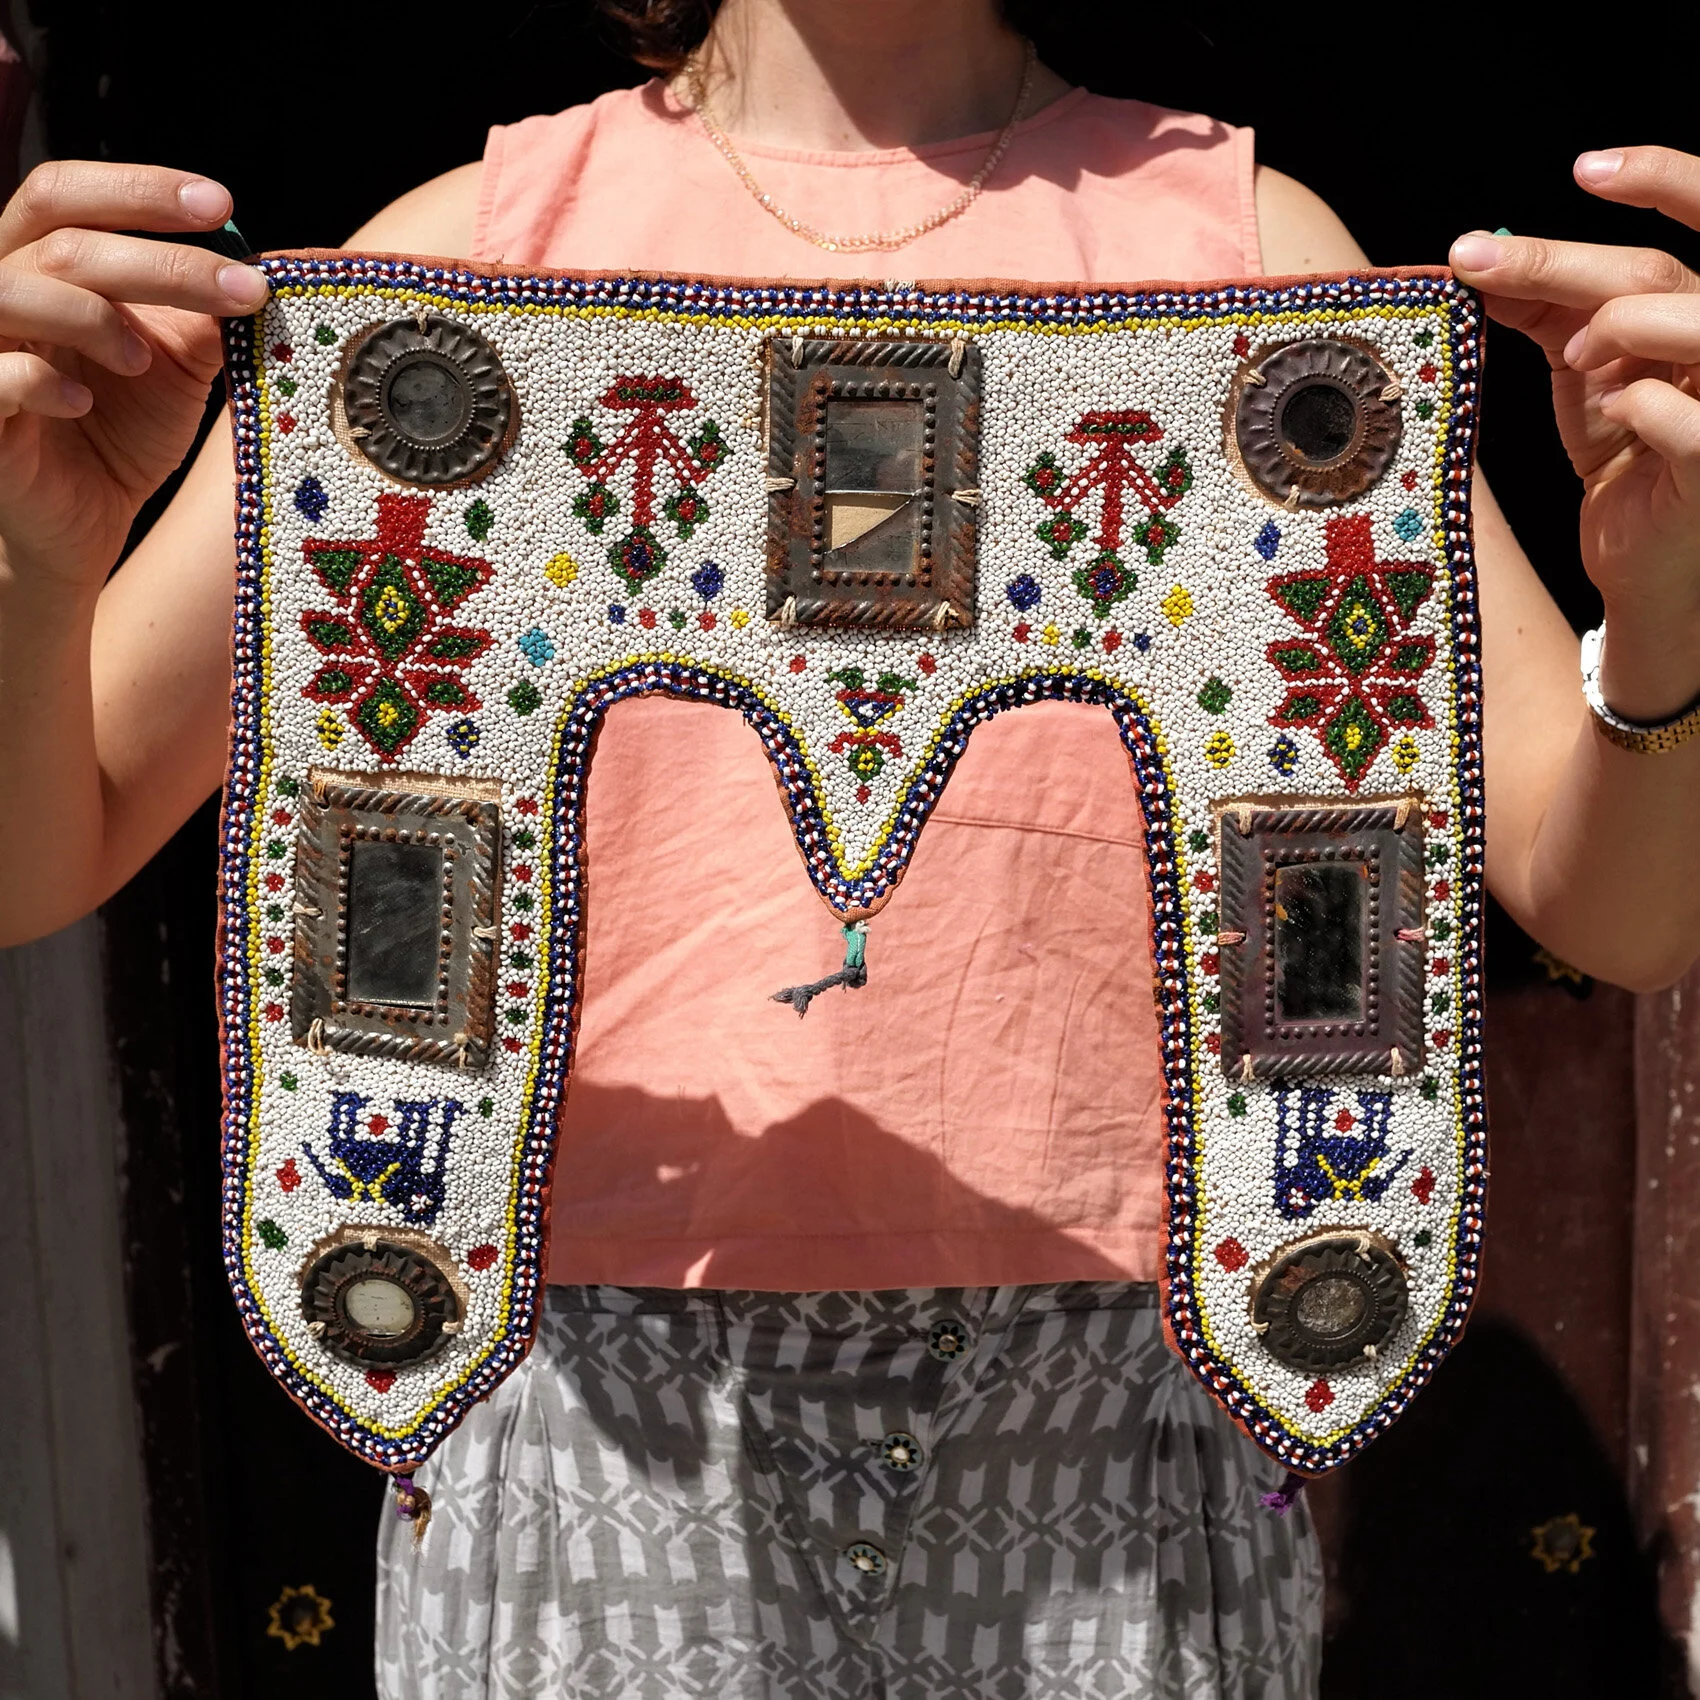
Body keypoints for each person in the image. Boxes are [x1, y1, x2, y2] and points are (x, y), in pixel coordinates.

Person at [2, 2, 1698, 1695]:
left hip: (1116, 1402)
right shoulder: (465, 261)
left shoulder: (1251, 261)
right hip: (589, 1405)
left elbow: (1619, 912)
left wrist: (1672, 600)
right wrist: (33, 554)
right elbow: (40, 850)